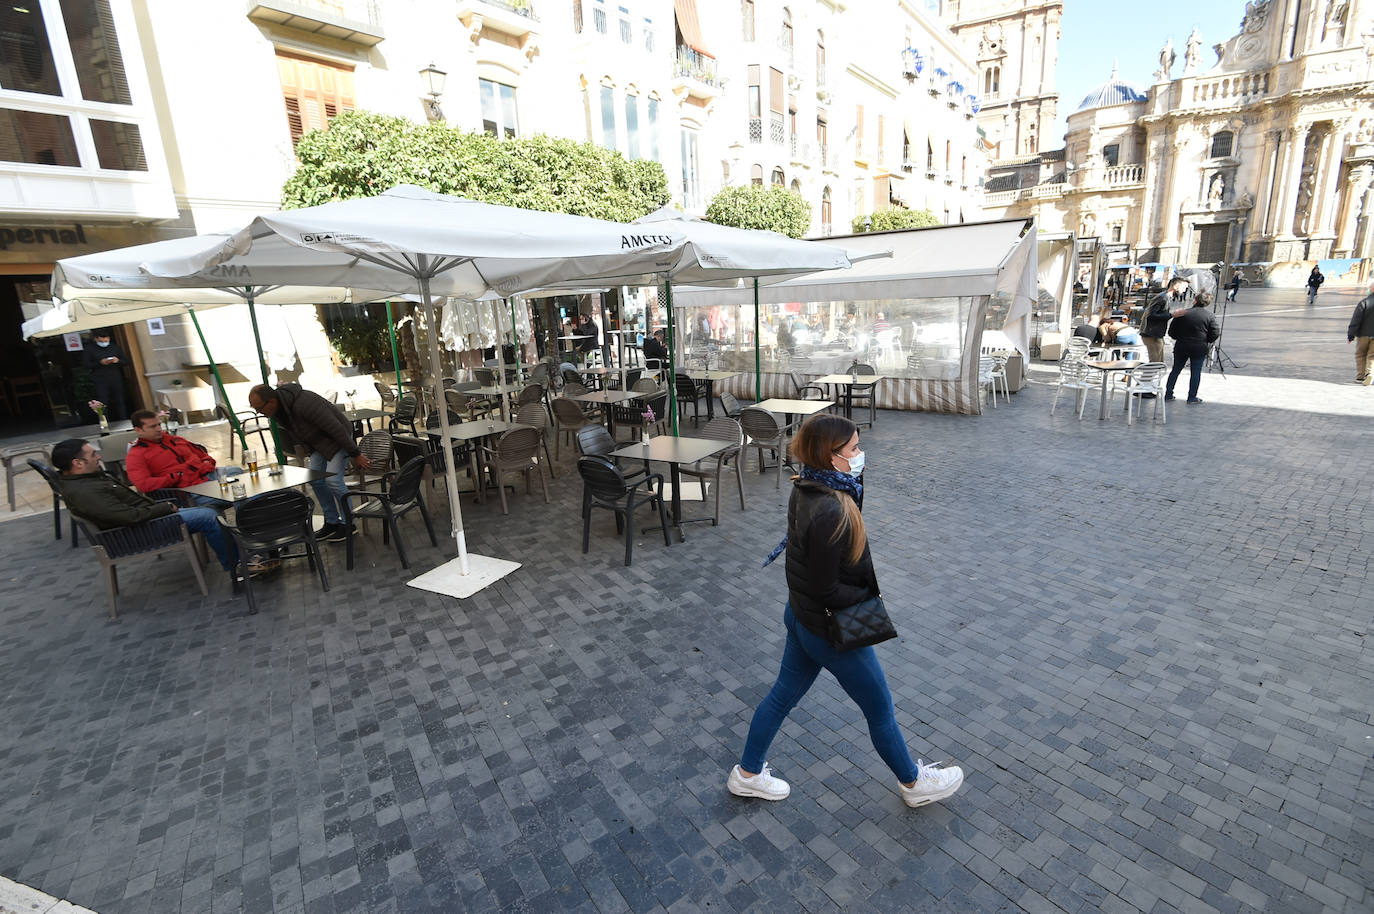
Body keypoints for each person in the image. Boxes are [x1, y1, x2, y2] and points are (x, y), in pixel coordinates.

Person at [728, 414, 964, 808]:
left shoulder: (810, 485)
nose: (860, 454)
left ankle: (747, 774)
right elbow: (827, 589)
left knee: (782, 696)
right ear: (831, 457)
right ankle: (914, 783)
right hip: (827, 629)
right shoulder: (831, 510)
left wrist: (856, 479)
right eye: (853, 449)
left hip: (802, 616)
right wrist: (869, 601)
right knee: (880, 709)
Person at [52, 438, 237, 574]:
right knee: (209, 516)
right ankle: (236, 567)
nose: (98, 457)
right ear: (77, 463)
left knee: (211, 510)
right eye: (93, 455)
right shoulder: (85, 491)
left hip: (145, 520)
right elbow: (127, 517)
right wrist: (164, 508)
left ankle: (239, 555)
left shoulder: (87, 481)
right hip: (137, 532)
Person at [247, 383, 371, 541]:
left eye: (259, 408)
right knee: (315, 480)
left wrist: (355, 453)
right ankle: (332, 521)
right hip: (319, 443)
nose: (259, 413)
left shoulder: (304, 403)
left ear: (271, 401)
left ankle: (349, 524)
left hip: (338, 439)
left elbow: (336, 429)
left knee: (333, 480)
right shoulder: (279, 409)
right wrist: (310, 449)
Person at [125, 408, 243, 505]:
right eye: (152, 427)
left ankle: (246, 523)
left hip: (206, 476)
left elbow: (204, 455)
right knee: (239, 492)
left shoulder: (174, 440)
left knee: (238, 473)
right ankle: (247, 526)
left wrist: (207, 463)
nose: (159, 429)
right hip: (186, 491)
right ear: (138, 430)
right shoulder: (136, 455)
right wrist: (173, 477)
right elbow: (143, 484)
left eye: (159, 424)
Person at [1165, 292, 1221, 404]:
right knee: (1196, 372)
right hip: (1199, 346)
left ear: (1195, 300)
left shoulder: (1183, 313)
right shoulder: (1209, 316)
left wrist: (1179, 337)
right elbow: (1215, 333)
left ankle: (1168, 394)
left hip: (1182, 345)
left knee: (1176, 369)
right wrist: (1207, 340)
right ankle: (1192, 397)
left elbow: (1171, 331)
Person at [83, 329, 129, 420]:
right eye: (101, 341)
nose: (104, 342)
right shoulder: (89, 349)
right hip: (100, 379)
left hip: (115, 377)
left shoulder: (115, 347)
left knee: (119, 400)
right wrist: (100, 363)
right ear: (96, 339)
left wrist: (117, 361)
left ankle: (123, 419)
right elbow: (86, 364)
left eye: (106, 341)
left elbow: (126, 362)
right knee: (102, 402)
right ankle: (104, 421)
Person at [1141, 278, 1189, 363]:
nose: (1185, 290)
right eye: (1184, 287)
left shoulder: (1167, 297)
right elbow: (1151, 315)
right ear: (1176, 286)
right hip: (1151, 334)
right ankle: (1147, 376)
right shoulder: (1163, 298)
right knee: (1155, 363)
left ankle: (1151, 375)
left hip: (1156, 334)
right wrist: (1172, 315)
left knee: (1159, 362)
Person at [1346, 280, 1374, 385]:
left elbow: (1356, 320)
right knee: (1372, 356)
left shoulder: (1364, 302)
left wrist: (1351, 335)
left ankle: (1360, 376)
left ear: (1371, 290)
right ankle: (1370, 373)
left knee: (1360, 354)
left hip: (1363, 335)